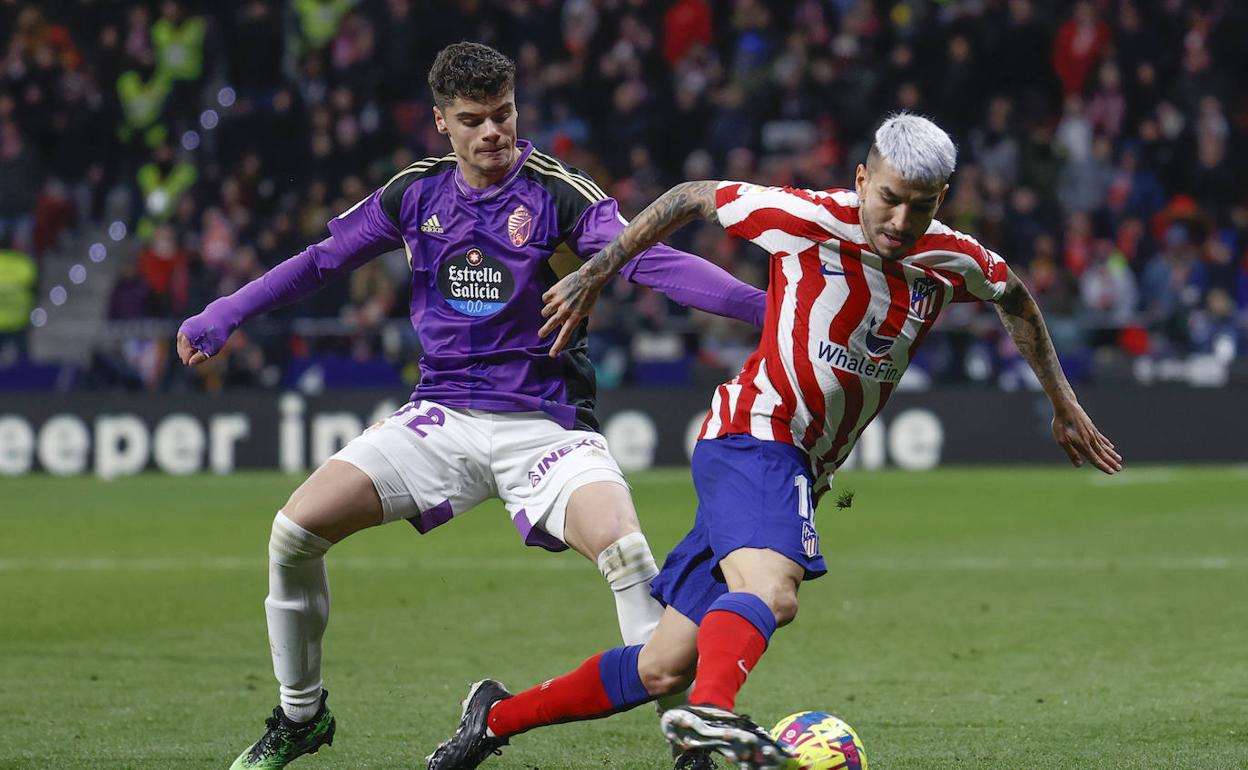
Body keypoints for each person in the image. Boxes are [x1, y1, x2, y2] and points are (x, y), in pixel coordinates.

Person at [425, 112, 1123, 770]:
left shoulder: (953, 258)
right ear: (859, 179)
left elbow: (1016, 298)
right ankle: (711, 713)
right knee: (773, 593)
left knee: (661, 663)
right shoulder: (806, 219)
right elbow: (694, 196)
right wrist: (595, 269)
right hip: (757, 438)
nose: (903, 220)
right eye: (890, 198)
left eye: (924, 204)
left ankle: (492, 719)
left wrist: (1063, 403)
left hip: (795, 466)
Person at [175, 42, 764, 770]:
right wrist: (227, 311)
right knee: (293, 531)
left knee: (627, 550)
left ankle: (688, 750)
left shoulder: (557, 192)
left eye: (504, 114)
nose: (493, 132)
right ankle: (301, 718)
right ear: (441, 124)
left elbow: (651, 260)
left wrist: (768, 311)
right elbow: (322, 259)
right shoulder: (414, 194)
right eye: (473, 120)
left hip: (545, 425)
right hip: (441, 416)